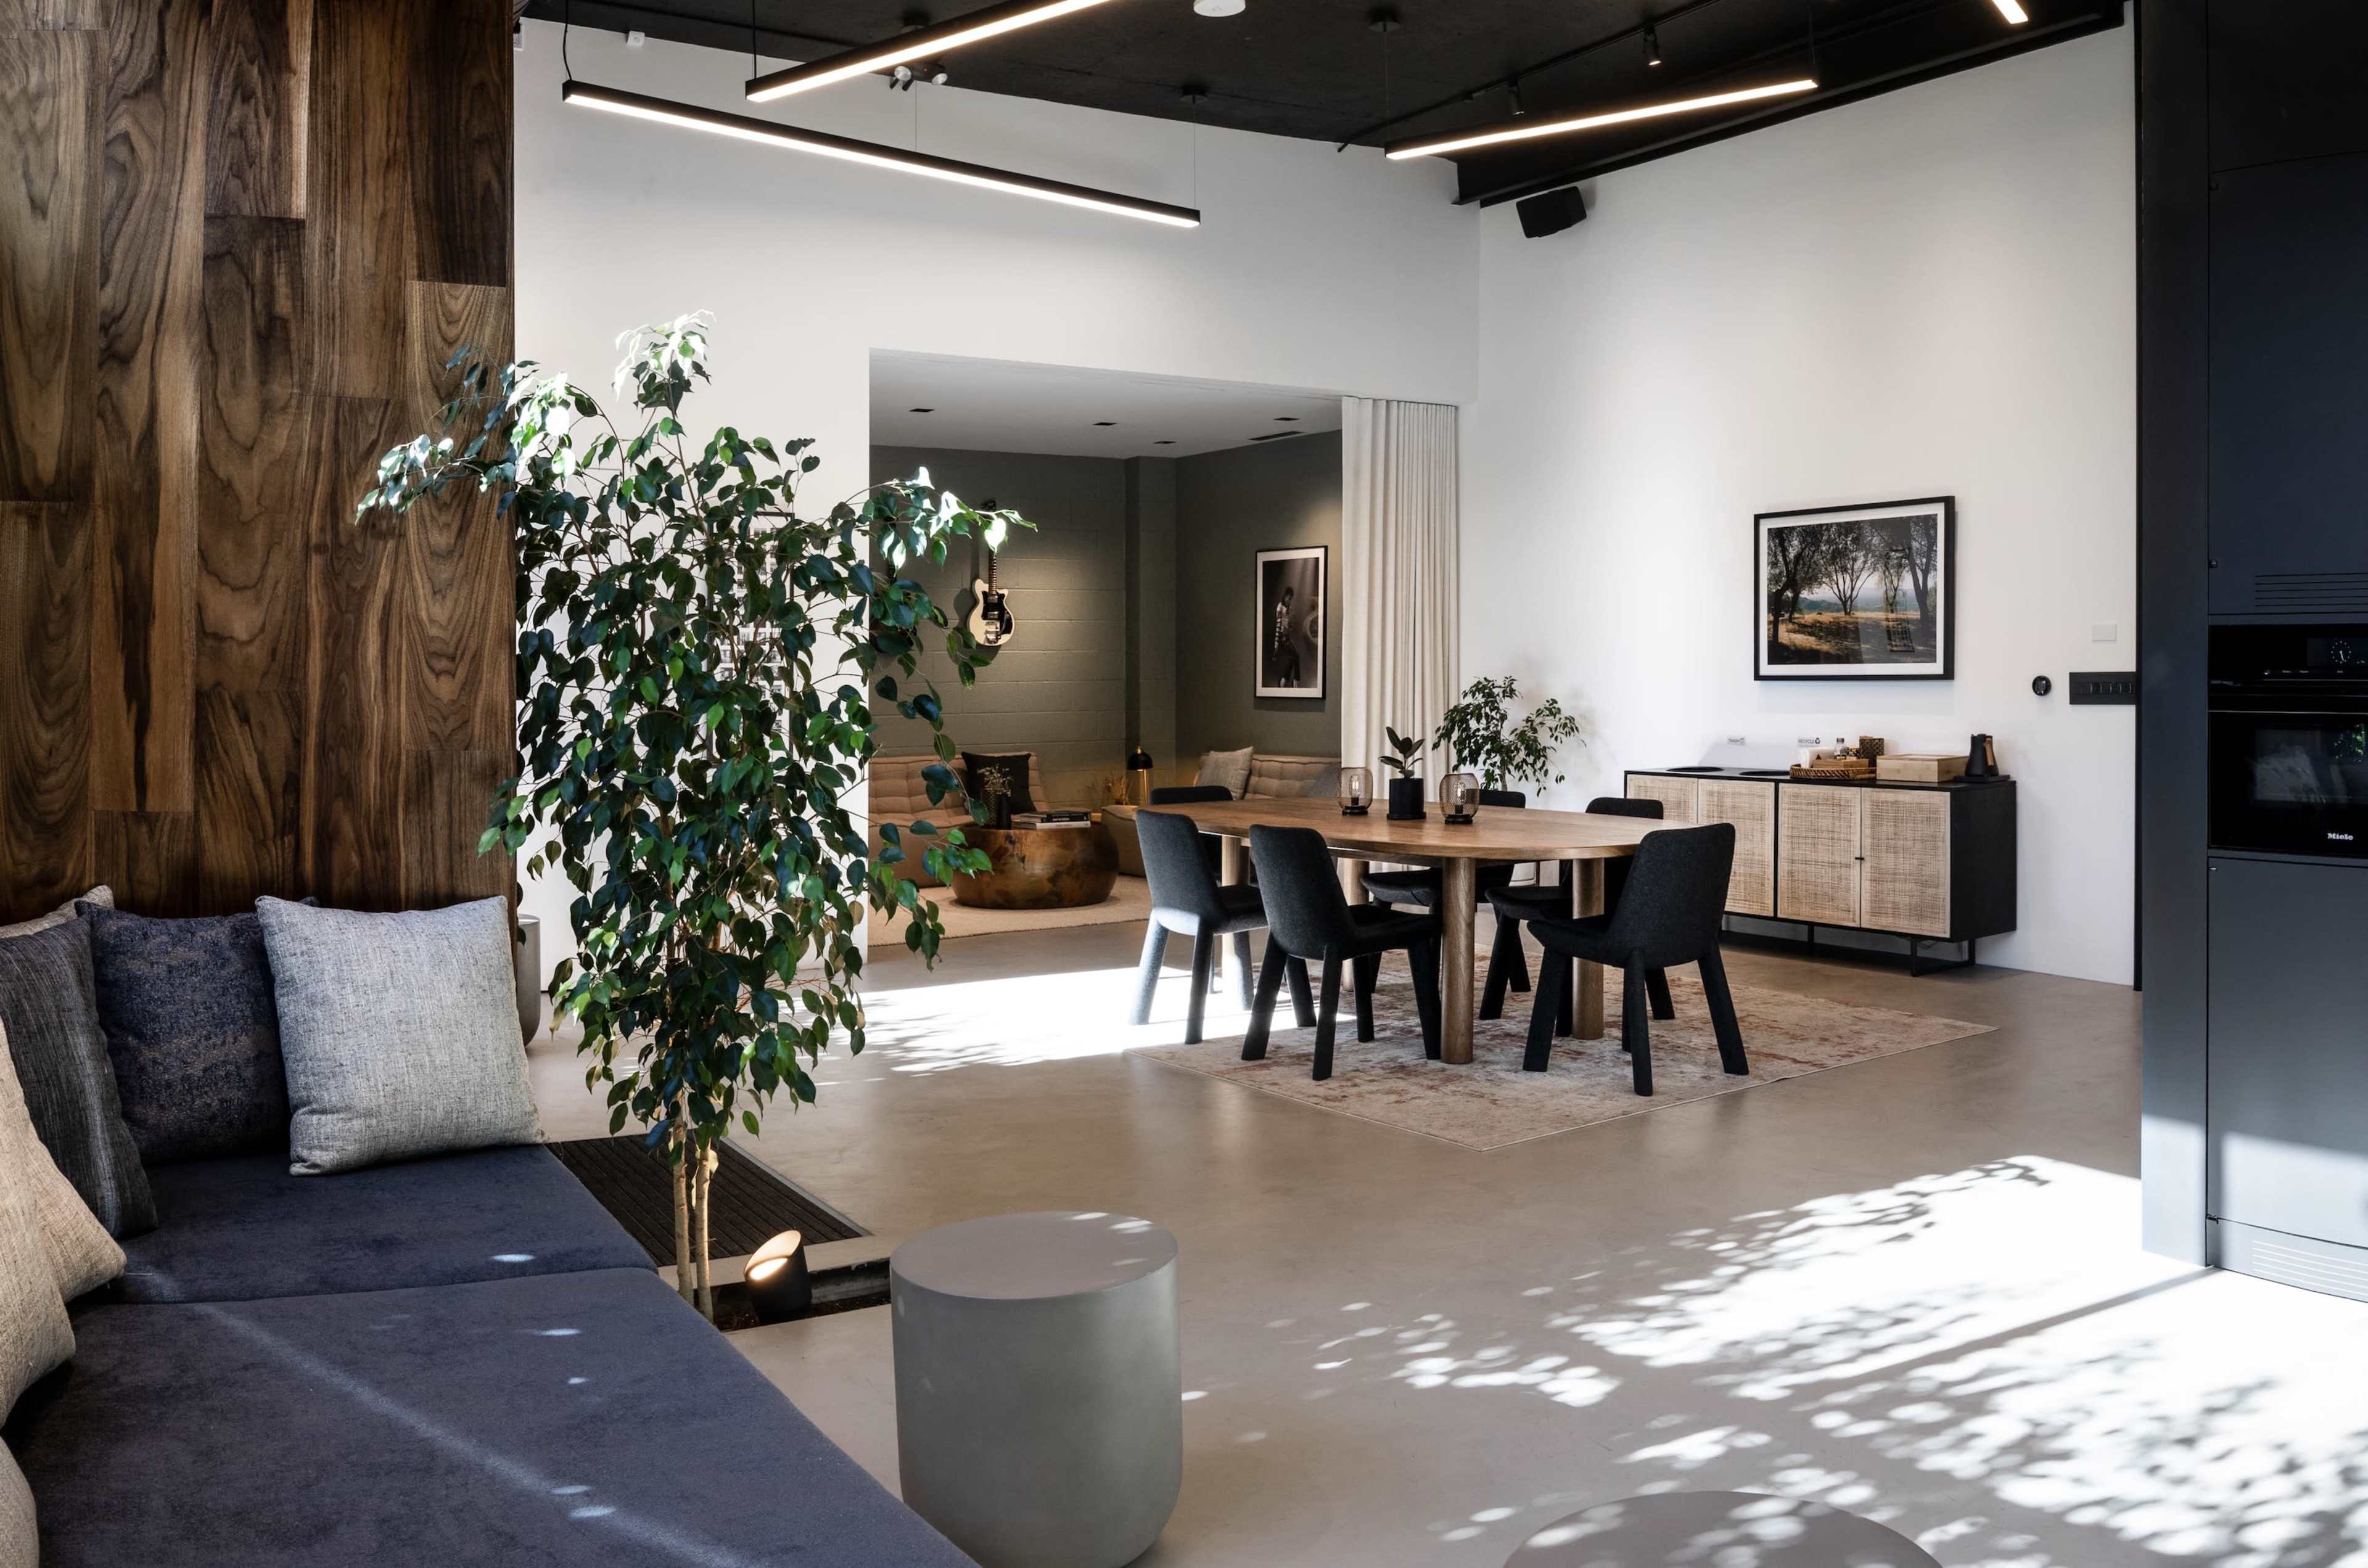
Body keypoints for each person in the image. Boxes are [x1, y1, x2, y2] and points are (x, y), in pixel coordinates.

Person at [1270, 584, 1301, 687]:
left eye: (1291, 599)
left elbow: (1290, 625)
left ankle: (1283, 681)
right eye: (1289, 598)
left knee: (1293, 658)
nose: (1290, 601)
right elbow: (1278, 625)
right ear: (1285, 596)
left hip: (1287, 636)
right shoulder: (1280, 607)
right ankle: (1295, 681)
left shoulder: (1289, 607)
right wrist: (1276, 643)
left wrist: (1292, 623)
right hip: (1283, 638)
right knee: (1295, 656)